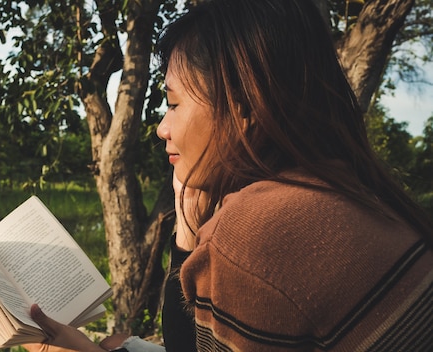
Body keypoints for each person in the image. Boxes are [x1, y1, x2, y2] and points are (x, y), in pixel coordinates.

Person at [24, 0, 433, 350]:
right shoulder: (350, 187)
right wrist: (187, 231)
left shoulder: (256, 231)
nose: (161, 128)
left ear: (243, 106)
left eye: (173, 104)